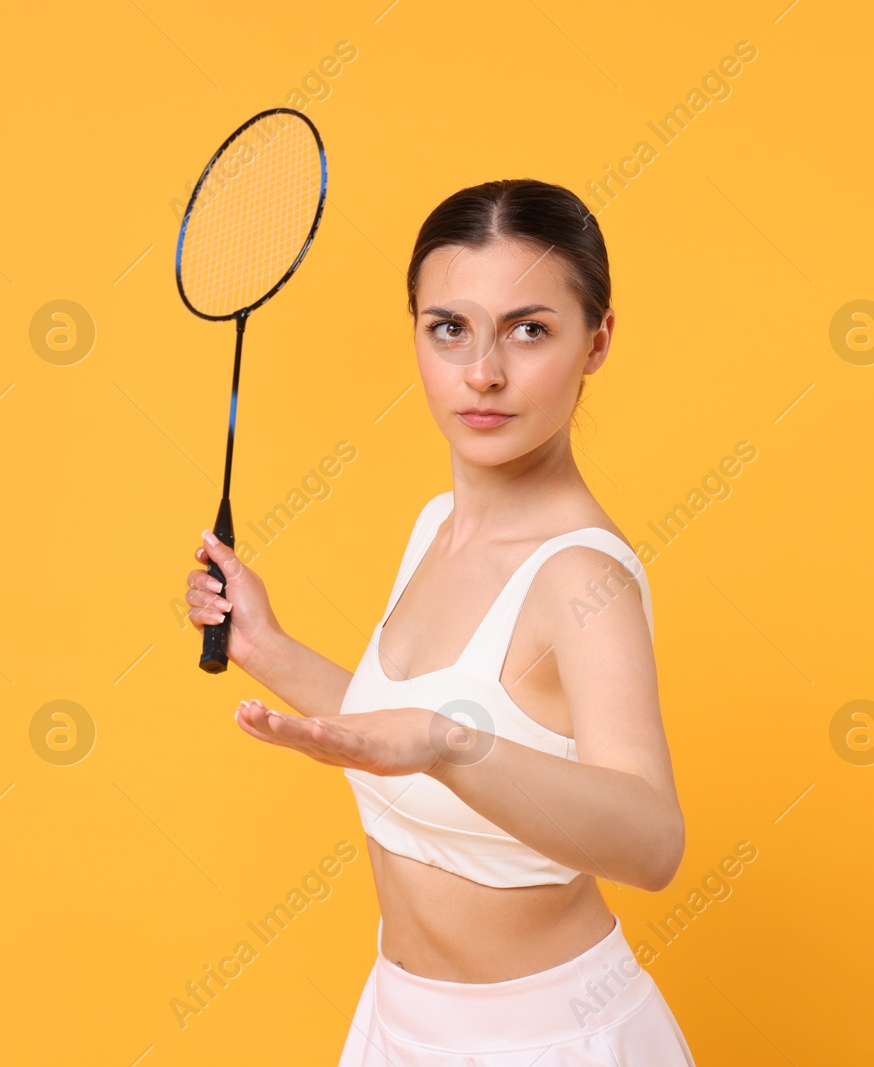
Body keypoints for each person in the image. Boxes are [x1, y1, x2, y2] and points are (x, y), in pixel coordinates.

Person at [184, 178, 694, 1064]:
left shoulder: (582, 574)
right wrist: (270, 649)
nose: (482, 371)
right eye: (448, 328)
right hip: (399, 1023)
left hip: (546, 1041)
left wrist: (446, 740)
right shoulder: (437, 527)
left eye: (529, 329)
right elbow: (407, 735)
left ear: (596, 340)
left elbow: (651, 843)